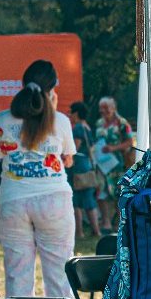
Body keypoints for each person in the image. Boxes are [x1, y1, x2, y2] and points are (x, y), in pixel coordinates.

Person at [0, 60, 78, 299]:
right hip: (53, 201)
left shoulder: (1, 119)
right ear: (53, 88)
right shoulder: (61, 122)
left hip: (13, 201)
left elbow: (4, 155)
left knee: (17, 277)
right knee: (59, 279)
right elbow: (67, 159)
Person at [93, 96, 134, 231]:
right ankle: (105, 221)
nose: (102, 111)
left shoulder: (122, 123)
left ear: (113, 108)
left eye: (106, 107)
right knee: (101, 191)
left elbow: (129, 142)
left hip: (118, 164)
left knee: (118, 193)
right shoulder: (99, 123)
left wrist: (113, 148)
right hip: (102, 164)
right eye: (101, 108)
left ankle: (118, 222)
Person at [66, 101, 103, 239]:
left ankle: (79, 232)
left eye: (71, 112)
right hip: (87, 165)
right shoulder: (87, 127)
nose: (69, 115)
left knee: (75, 200)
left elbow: (74, 148)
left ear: (76, 113)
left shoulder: (77, 128)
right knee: (88, 200)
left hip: (77, 166)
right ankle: (96, 230)